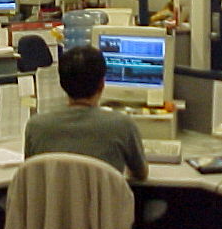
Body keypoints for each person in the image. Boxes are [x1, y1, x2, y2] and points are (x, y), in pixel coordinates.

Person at [24, 45, 148, 180]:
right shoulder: (123, 126)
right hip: (103, 195)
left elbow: (30, 175)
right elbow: (141, 174)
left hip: (53, 195)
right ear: (102, 84)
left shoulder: (36, 127)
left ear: (61, 84)